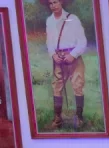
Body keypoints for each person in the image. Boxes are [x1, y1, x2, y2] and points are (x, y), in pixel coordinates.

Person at [44, 0, 88, 129]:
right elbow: (49, 41)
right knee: (57, 87)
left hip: (74, 57)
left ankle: (79, 118)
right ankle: (58, 119)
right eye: (51, 3)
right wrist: (53, 55)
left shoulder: (73, 19)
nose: (54, 6)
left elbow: (82, 41)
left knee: (78, 85)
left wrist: (73, 55)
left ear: (61, 2)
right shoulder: (49, 21)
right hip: (58, 58)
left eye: (56, 2)